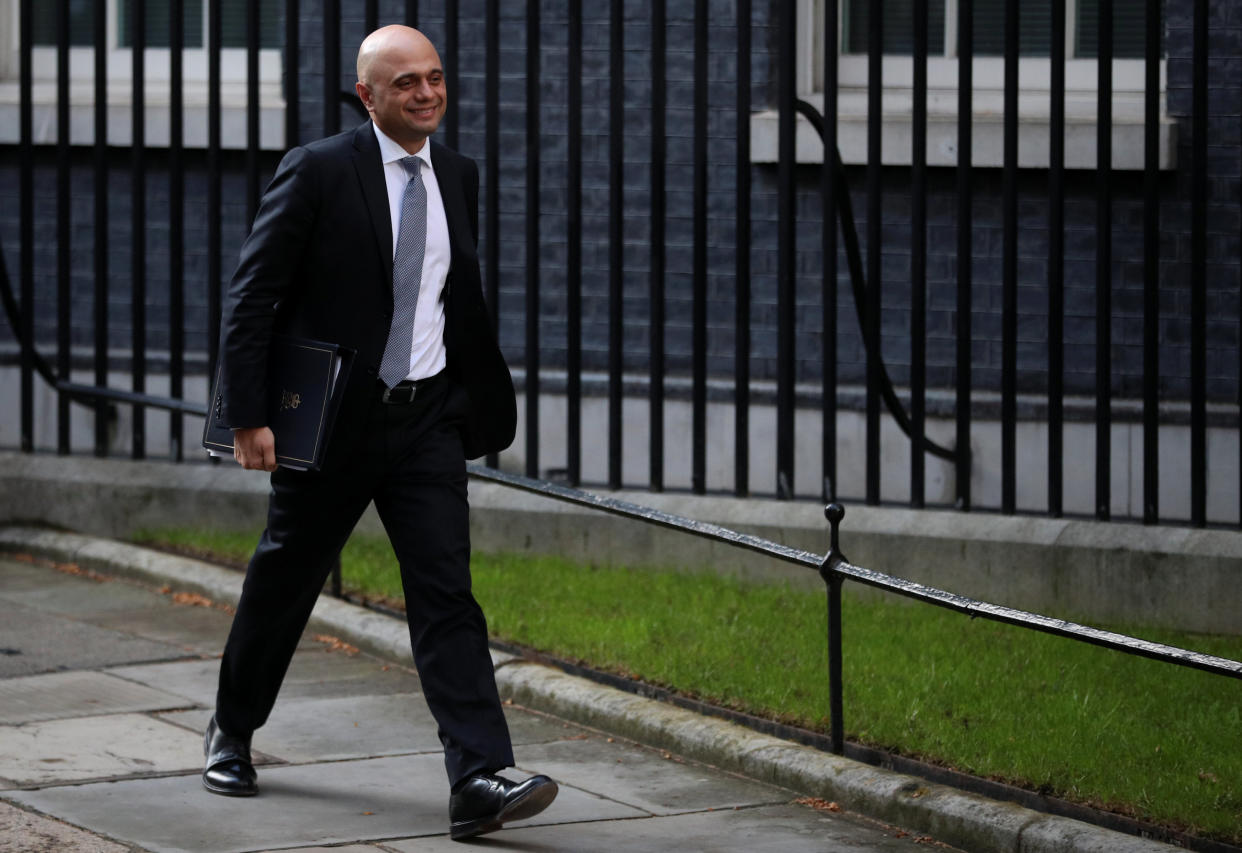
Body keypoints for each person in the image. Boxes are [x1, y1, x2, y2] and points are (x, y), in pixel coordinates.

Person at [201, 24, 557, 841]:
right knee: (286, 577)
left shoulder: (457, 176)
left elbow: (445, 297)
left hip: (425, 420)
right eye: (406, 84)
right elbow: (253, 295)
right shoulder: (322, 170)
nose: (426, 94)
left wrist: (465, 395)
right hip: (333, 427)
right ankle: (232, 725)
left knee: (447, 595)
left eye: (435, 78)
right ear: (369, 95)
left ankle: (478, 776)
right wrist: (251, 415)